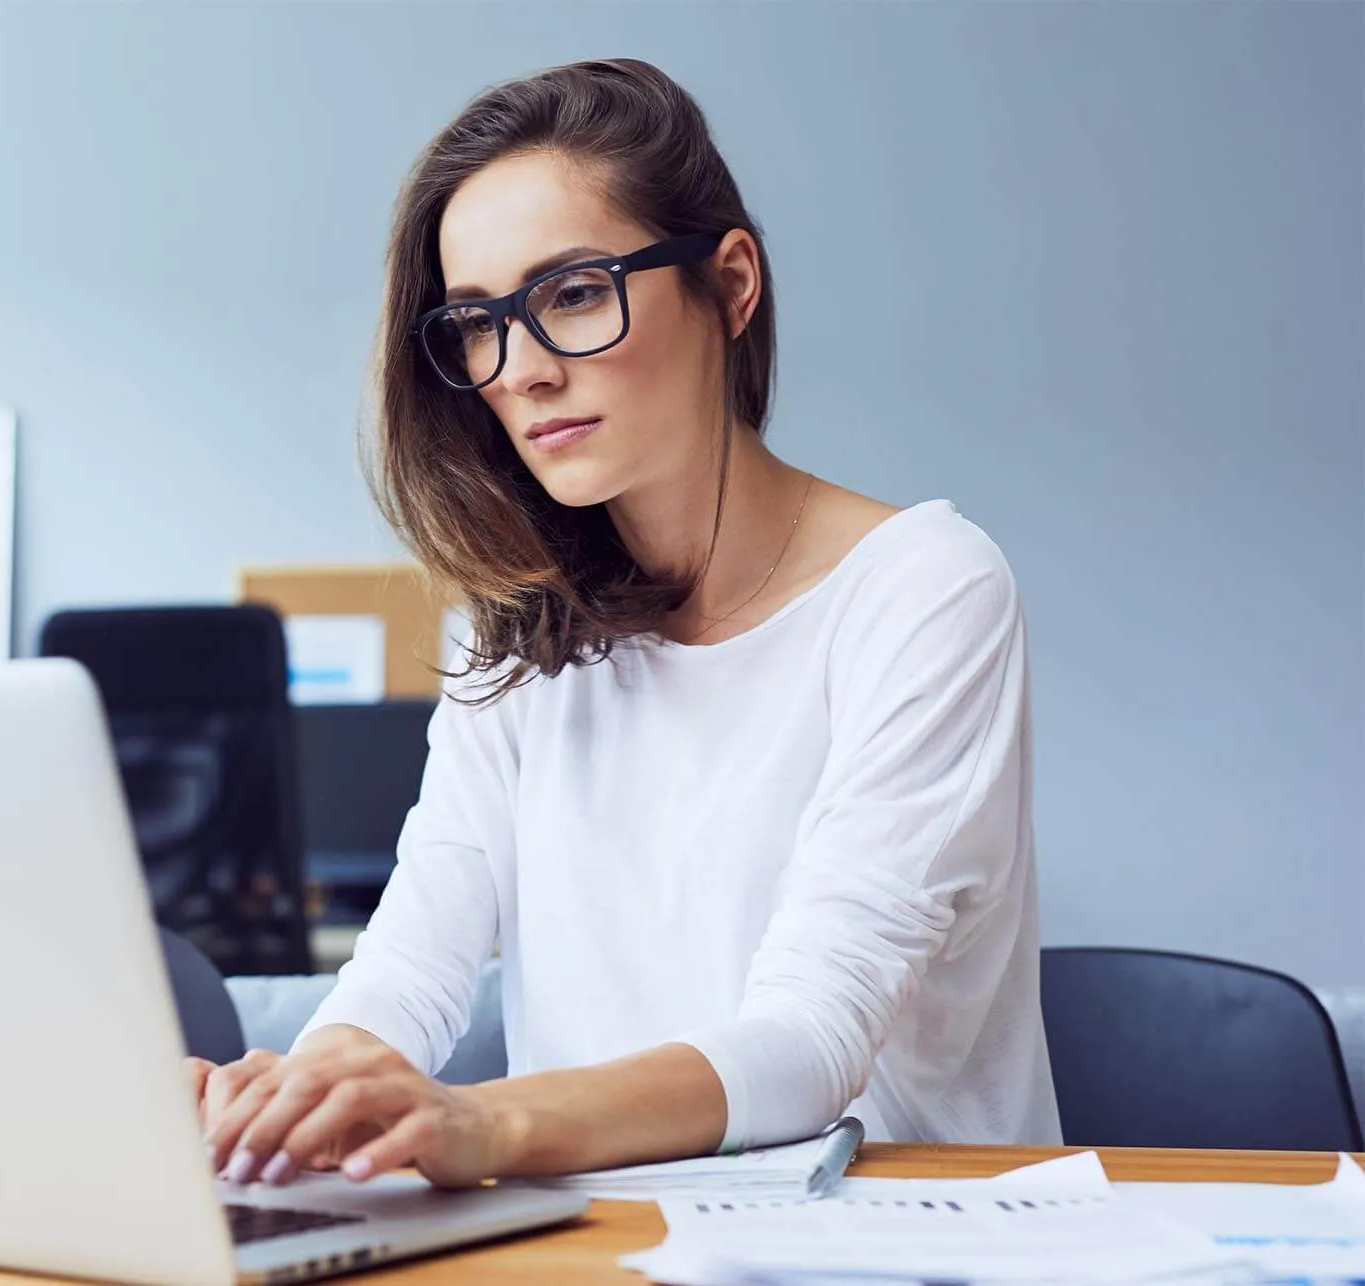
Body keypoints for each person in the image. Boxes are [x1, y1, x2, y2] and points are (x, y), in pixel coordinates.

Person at [193, 57, 1061, 1191]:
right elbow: (409, 966)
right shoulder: (508, 626)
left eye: (573, 293)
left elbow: (809, 1043)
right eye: (475, 322)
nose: (523, 371)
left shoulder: (924, 589)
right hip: (598, 1240)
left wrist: (480, 1121)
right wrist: (298, 1103)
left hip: (888, 1237)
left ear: (729, 283)